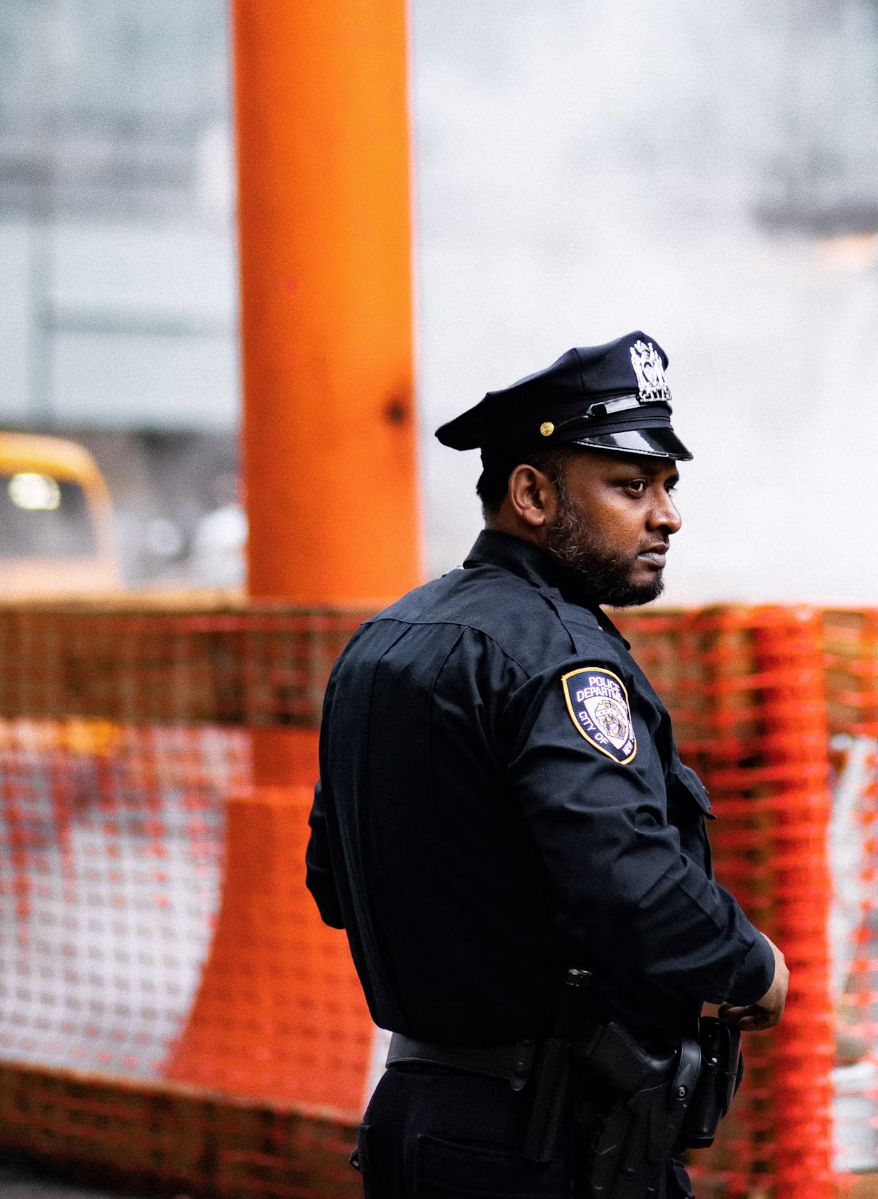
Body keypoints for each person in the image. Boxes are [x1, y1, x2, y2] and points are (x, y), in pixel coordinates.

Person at [306, 331, 789, 1199]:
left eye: (668, 486)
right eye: (631, 485)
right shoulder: (561, 657)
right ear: (530, 493)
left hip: (415, 1122)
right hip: (546, 1140)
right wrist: (749, 963)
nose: (667, 515)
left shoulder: (381, 641)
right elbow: (629, 878)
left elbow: (332, 880)